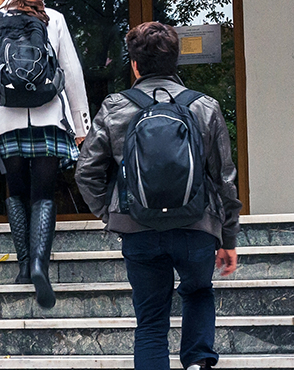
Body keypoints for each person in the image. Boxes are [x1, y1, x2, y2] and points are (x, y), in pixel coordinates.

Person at [75, 21, 241, 370]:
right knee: (198, 293)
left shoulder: (115, 107)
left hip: (139, 230)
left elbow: (86, 171)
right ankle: (197, 363)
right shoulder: (204, 106)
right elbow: (224, 176)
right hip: (196, 225)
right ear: (175, 61)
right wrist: (228, 236)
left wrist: (111, 213)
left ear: (135, 64)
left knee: (150, 322)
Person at [0, 0, 90, 308]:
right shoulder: (52, 18)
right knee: (43, 193)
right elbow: (72, 72)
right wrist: (81, 126)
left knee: (16, 191)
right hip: (49, 115)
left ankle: (24, 265)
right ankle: (41, 261)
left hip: (6, 119)